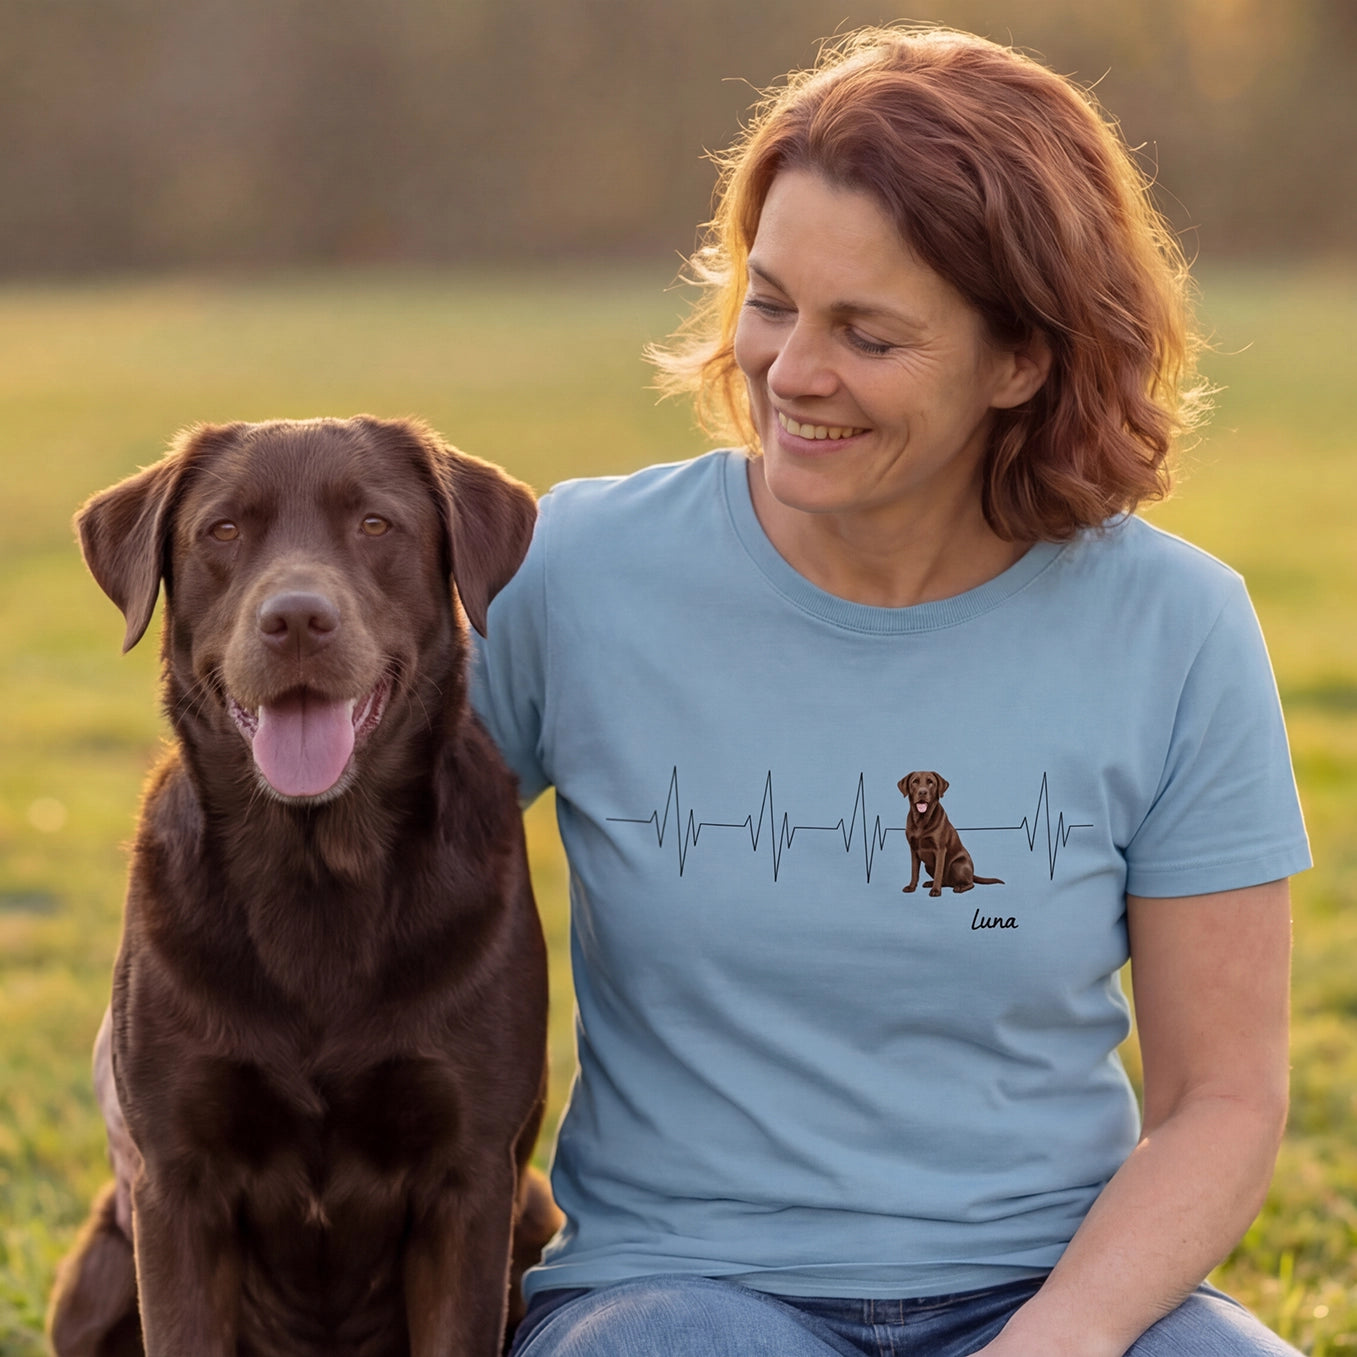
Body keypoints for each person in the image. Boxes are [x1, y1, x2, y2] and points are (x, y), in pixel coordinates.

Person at [475, 24, 1313, 1356]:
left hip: (1048, 1281)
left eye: (866, 333)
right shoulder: (577, 572)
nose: (790, 373)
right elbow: (324, 855)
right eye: (769, 302)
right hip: (688, 1290)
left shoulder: (1176, 625)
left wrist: (1071, 1329)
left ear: (1019, 359)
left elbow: (1221, 1096)